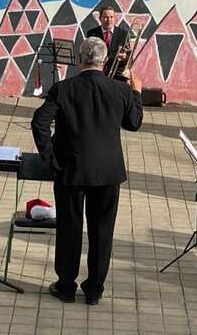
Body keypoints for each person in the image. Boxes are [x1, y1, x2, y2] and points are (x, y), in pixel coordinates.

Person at [31, 37, 143, 305]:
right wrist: (136, 93)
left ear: (80, 60)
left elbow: (39, 123)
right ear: (104, 61)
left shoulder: (64, 88)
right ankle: (94, 289)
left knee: (69, 228)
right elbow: (134, 122)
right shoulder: (120, 89)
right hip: (108, 172)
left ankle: (66, 285)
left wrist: (50, 159)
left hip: (70, 169)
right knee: (102, 231)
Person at [86, 6, 128, 71]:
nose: (109, 20)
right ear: (100, 18)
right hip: (98, 71)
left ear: (114, 18)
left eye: (111, 17)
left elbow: (128, 57)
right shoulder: (92, 34)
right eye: (105, 17)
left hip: (117, 72)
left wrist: (125, 57)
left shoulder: (123, 34)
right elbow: (89, 54)